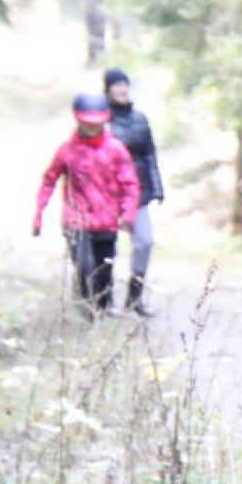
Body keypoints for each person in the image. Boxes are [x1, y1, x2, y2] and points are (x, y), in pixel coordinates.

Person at [34, 92, 140, 316]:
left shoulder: (116, 150)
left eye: (96, 123)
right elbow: (49, 181)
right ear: (78, 120)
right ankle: (88, 317)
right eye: (87, 122)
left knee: (104, 271)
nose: (91, 127)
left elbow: (130, 184)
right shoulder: (67, 151)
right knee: (85, 269)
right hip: (76, 222)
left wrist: (128, 215)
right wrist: (39, 215)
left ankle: (101, 312)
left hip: (107, 223)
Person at [102, 67, 164, 317]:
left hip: (137, 192)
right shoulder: (101, 120)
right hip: (107, 194)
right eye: (116, 85)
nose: (122, 90)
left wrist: (157, 187)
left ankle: (135, 296)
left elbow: (150, 155)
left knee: (145, 241)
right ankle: (104, 299)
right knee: (107, 247)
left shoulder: (140, 119)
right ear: (108, 90)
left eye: (124, 84)